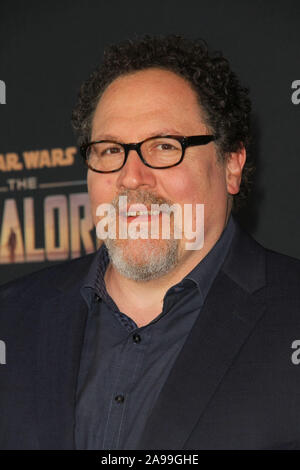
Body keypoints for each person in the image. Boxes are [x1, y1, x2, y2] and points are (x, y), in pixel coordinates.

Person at [1, 34, 300, 451]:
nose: (131, 177)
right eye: (109, 150)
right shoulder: (12, 319)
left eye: (164, 146)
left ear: (232, 163)